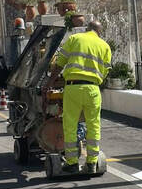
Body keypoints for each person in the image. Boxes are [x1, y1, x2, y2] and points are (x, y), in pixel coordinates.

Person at [46, 21, 112, 173]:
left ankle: (72, 163)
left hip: (73, 88)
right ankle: (91, 163)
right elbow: (105, 72)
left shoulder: (75, 39)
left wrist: (49, 82)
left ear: (87, 29)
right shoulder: (104, 46)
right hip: (93, 89)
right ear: (99, 32)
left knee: (70, 125)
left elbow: (59, 63)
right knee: (93, 125)